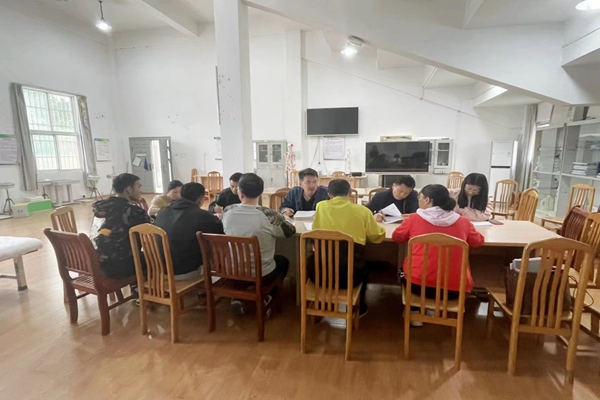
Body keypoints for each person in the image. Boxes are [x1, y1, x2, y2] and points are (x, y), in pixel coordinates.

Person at [391, 184, 484, 326]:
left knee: (402, 271)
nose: (418, 200)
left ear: (427, 200)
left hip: (417, 286)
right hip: (455, 289)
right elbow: (478, 242)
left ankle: (415, 311)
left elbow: (397, 237)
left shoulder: (414, 218)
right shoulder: (463, 221)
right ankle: (433, 309)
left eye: (420, 197)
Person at [310, 179, 386, 316]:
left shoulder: (321, 207)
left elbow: (315, 230)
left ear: (329, 194)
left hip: (319, 274)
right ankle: (359, 307)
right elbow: (376, 236)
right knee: (365, 267)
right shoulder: (362, 211)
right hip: (350, 277)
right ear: (350, 193)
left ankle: (321, 301)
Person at [222, 173, 296, 314]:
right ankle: (268, 296)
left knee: (242, 263)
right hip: (262, 274)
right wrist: (285, 218)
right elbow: (289, 232)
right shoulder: (269, 215)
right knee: (283, 261)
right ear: (261, 193)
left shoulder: (227, 211)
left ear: (240, 193)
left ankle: (238, 295)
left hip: (232, 272)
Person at [154, 182, 223, 280]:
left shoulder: (162, 211)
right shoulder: (203, 216)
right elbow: (220, 237)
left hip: (160, 269)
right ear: (201, 199)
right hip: (186, 271)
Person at [93, 173, 151, 279]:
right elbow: (152, 231)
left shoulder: (102, 208)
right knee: (157, 258)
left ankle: (137, 286)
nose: (141, 191)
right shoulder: (134, 211)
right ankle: (146, 287)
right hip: (121, 265)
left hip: (99, 262)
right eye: (138, 187)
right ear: (129, 189)